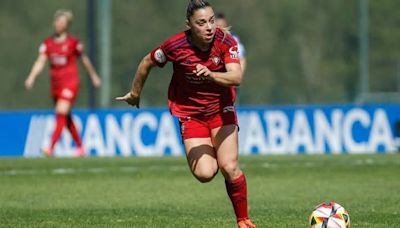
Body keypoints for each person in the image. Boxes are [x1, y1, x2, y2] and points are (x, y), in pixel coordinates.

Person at [116, 1, 255, 227]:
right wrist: (134, 93)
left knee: (229, 166)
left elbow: (236, 77)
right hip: (191, 114)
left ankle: (243, 220)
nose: (209, 27)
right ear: (189, 25)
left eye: (211, 21)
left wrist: (210, 75)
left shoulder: (225, 41)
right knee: (205, 173)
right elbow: (147, 61)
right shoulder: (175, 46)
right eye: (201, 23)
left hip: (221, 109)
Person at [24, 9, 101, 157]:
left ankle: (50, 147)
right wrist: (31, 77)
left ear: (67, 25)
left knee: (60, 112)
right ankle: (80, 147)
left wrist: (94, 76)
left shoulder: (73, 43)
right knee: (65, 117)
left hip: (70, 83)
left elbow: (84, 60)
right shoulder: (48, 44)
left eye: (62, 22)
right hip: (56, 86)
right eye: (57, 21)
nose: (59, 24)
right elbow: (40, 62)